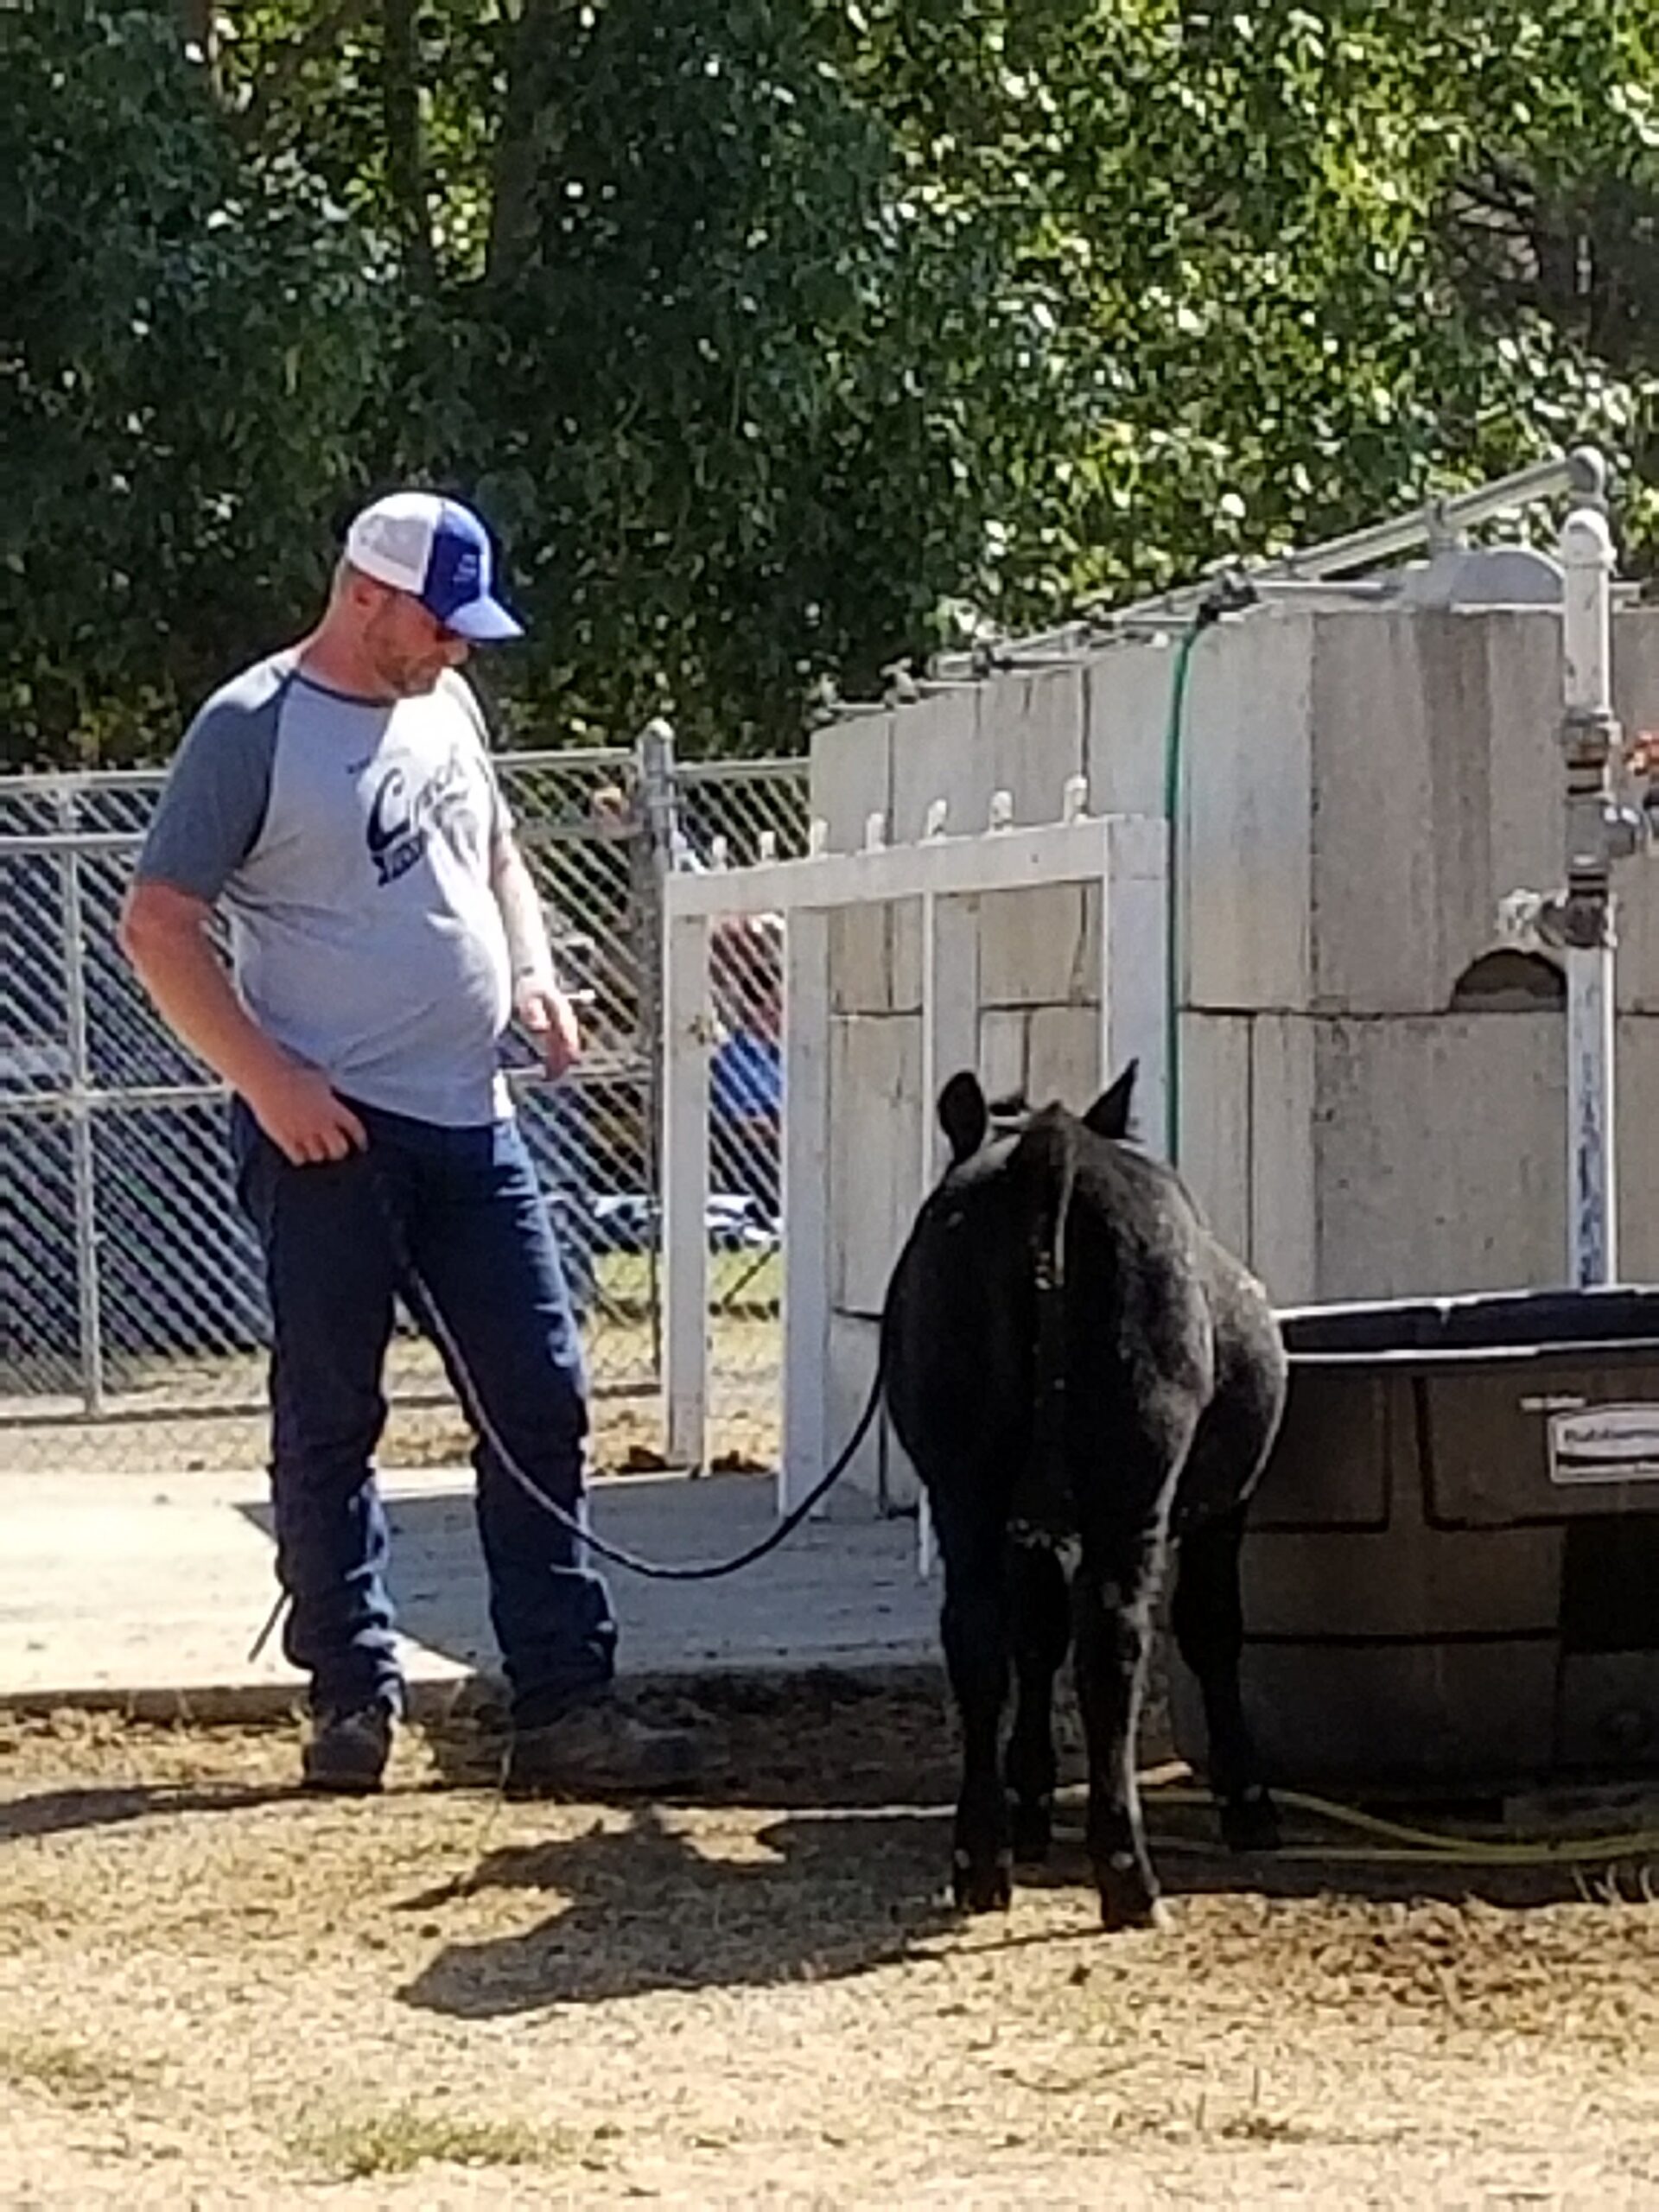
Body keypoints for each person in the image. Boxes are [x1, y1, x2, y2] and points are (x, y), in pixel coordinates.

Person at [119, 490, 696, 1798]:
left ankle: (562, 1705)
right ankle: (349, 1693)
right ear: (363, 595)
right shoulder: (251, 729)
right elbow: (158, 926)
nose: (459, 652)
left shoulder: (449, 706)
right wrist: (269, 1082)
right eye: (441, 625)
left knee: (539, 1398)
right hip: (333, 1135)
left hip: (472, 1119)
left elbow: (493, 851)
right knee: (333, 1415)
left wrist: (536, 973)